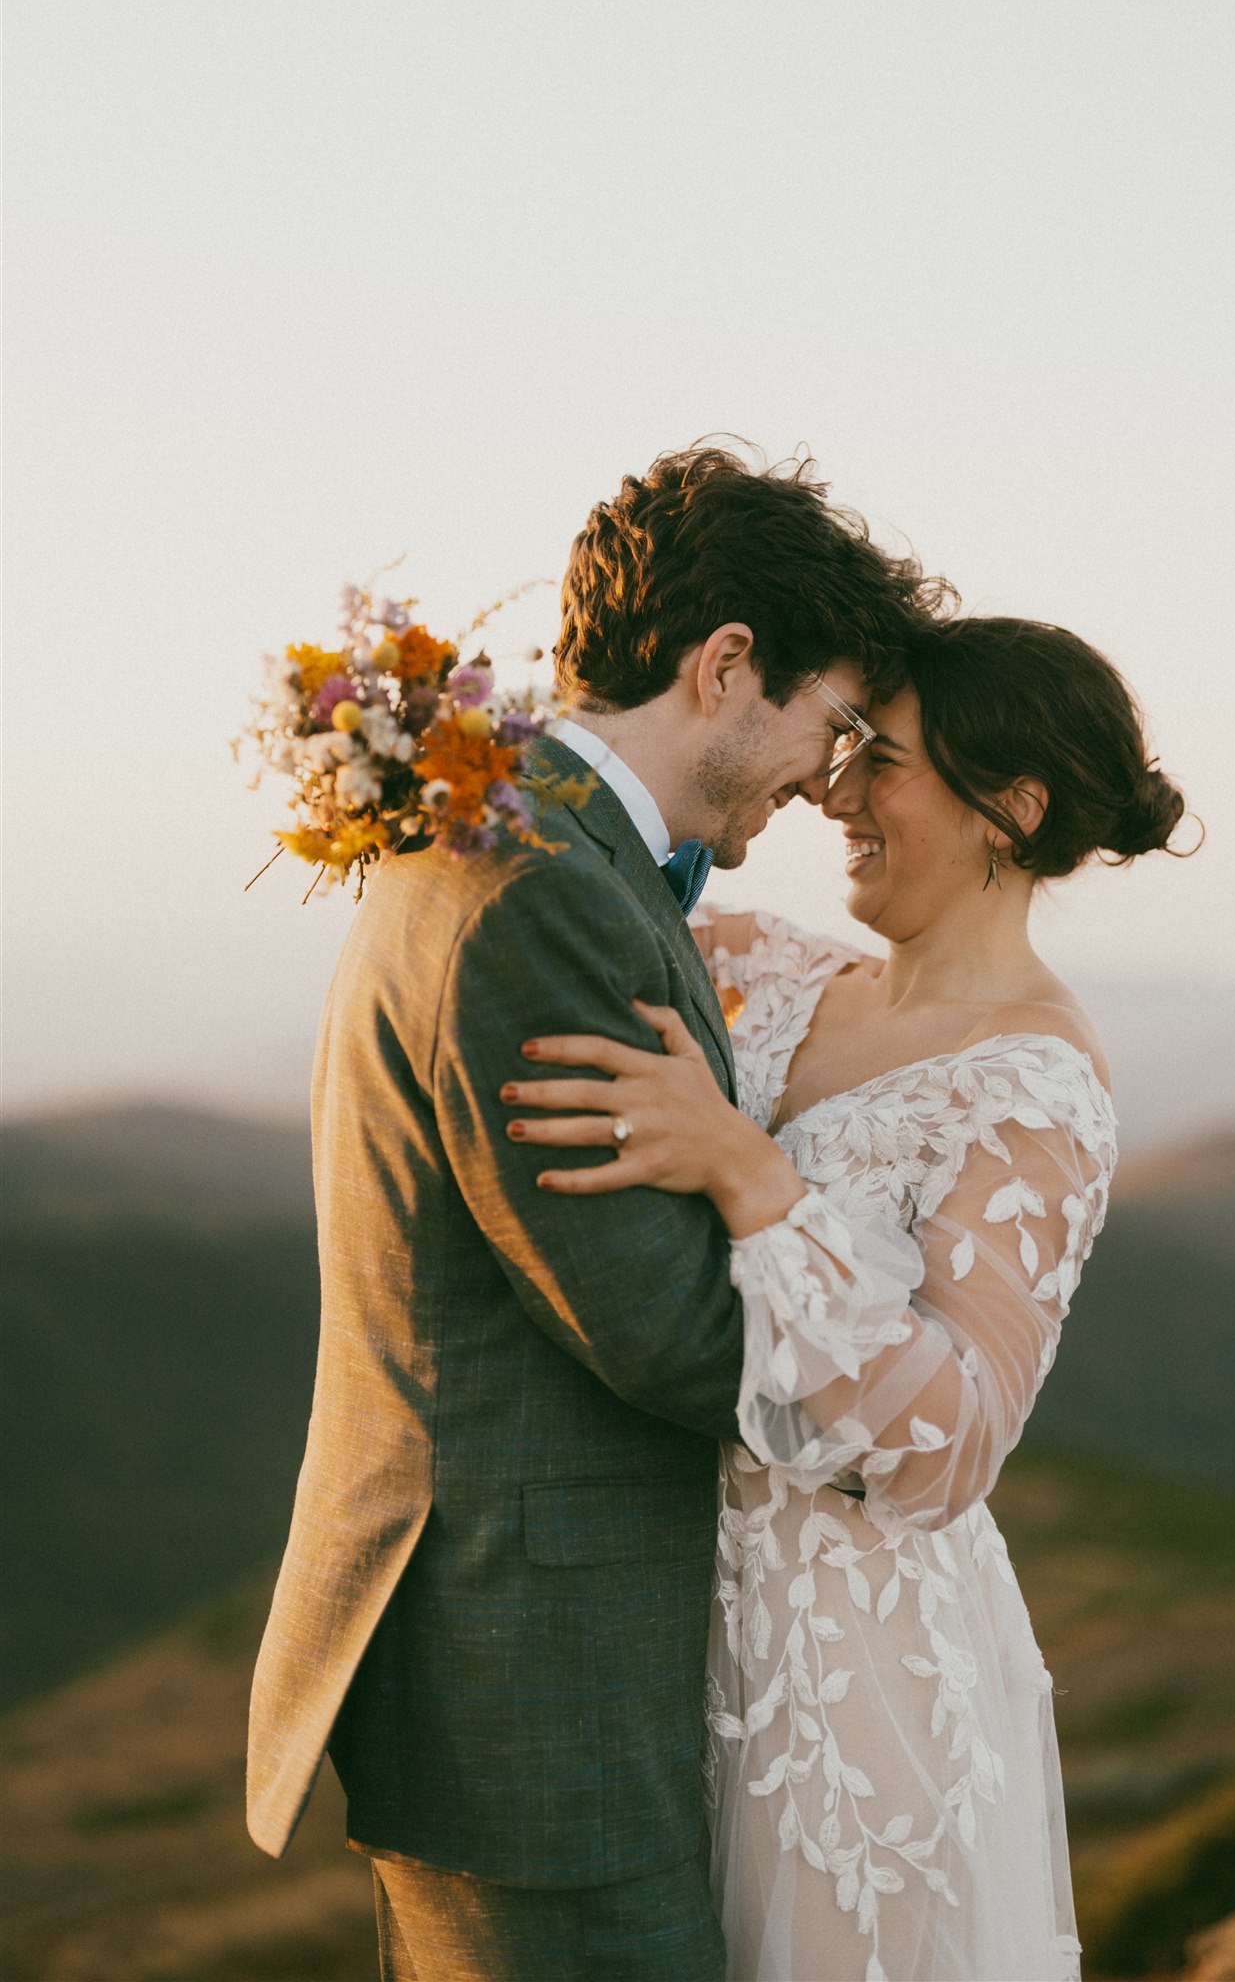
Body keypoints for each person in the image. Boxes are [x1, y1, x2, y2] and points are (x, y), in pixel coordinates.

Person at [246, 442, 949, 1981]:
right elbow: (668, 1333)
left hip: (512, 1665)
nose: (825, 778)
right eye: (828, 728)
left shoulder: (515, 834)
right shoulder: (538, 888)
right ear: (724, 667)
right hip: (533, 1685)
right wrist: (879, 1349)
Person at [500, 614, 1190, 1981]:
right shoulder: (755, 965)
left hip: (848, 1688)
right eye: (845, 747)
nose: (833, 789)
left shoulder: (1035, 1085)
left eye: (885, 762)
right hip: (640, 1638)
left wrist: (754, 1180)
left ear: (1013, 807)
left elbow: (952, 1444)